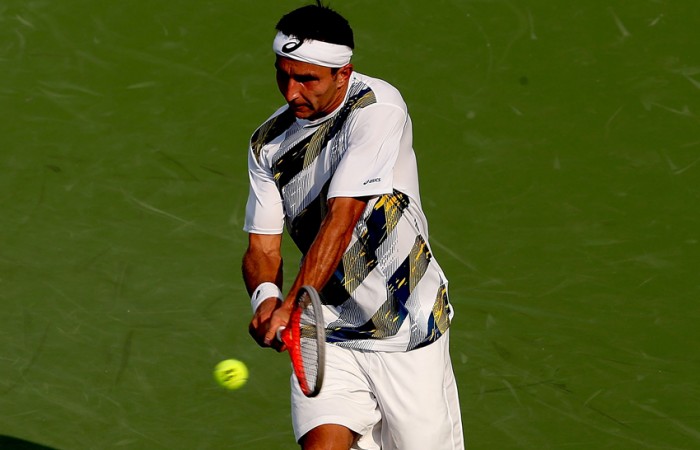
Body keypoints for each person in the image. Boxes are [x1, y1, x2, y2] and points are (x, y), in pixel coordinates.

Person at [242, 3, 464, 449]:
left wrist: (294, 305)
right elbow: (262, 248)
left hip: (406, 329)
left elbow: (341, 220)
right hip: (328, 333)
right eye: (283, 75)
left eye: (307, 79)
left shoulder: (377, 109)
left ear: (342, 74)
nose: (291, 92)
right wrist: (265, 299)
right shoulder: (268, 144)